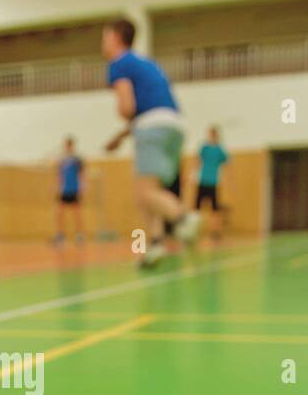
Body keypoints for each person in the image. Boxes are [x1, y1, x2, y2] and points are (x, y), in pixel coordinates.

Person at [101, 18, 198, 267]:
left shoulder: (118, 64)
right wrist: (121, 137)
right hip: (174, 127)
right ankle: (155, 245)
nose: (102, 44)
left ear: (114, 38)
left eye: (104, 37)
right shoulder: (145, 63)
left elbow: (128, 107)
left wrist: (122, 114)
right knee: (149, 191)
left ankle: (182, 218)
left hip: (153, 128)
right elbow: (148, 108)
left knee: (143, 192)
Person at [194, 125, 229, 242]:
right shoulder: (204, 148)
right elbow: (197, 161)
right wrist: (192, 175)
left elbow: (226, 162)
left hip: (213, 182)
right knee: (197, 208)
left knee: (215, 209)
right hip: (202, 181)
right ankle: (195, 231)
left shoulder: (220, 149)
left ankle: (215, 231)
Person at [54, 136, 85, 245]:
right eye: (66, 145)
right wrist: (58, 186)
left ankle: (79, 235)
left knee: (77, 213)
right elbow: (59, 175)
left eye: (69, 145)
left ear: (72, 146)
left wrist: (82, 186)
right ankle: (60, 235)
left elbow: (81, 174)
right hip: (64, 190)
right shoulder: (62, 160)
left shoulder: (77, 160)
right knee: (59, 212)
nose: (67, 147)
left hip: (74, 189)